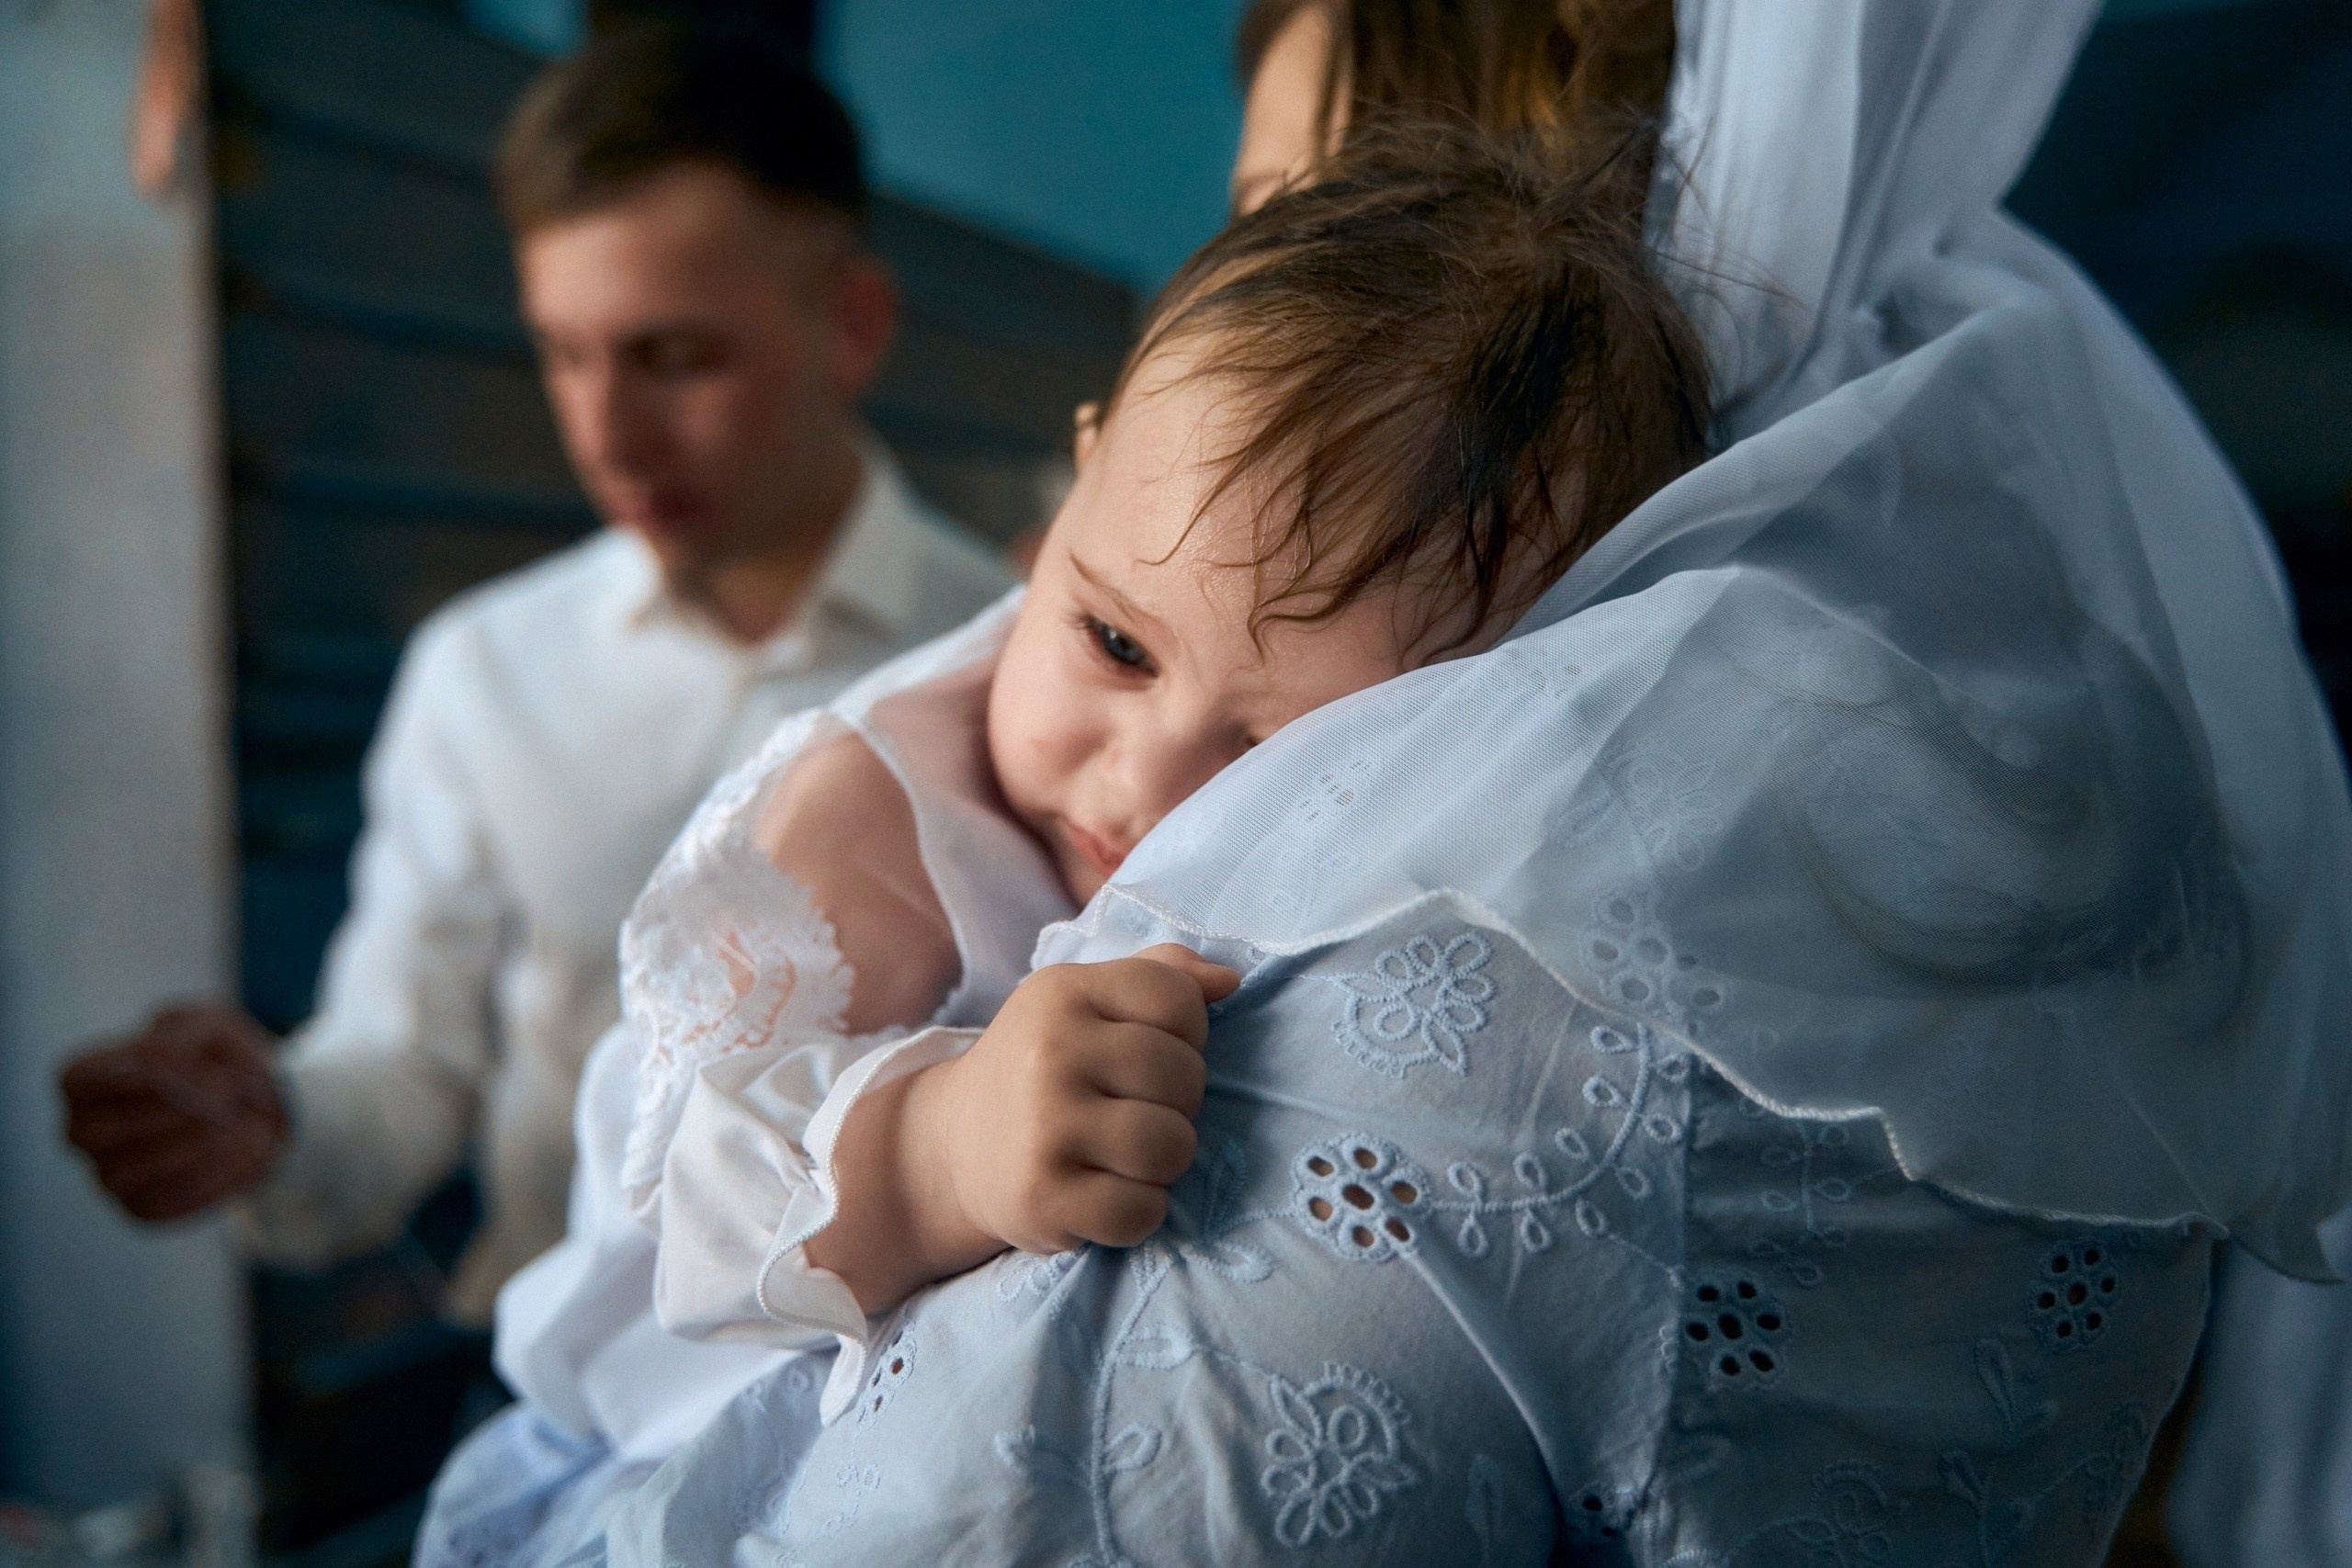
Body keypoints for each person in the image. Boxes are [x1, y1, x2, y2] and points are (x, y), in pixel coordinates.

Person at [589, 1, 2352, 1562]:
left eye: (1298, 748)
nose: (1151, 780)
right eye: (1116, 648)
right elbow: (681, 1180)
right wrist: (934, 1152)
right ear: (1085, 470)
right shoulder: (886, 804)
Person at [56, 18, 1010, 1324]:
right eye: (564, 353)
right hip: (547, 1408)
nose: (606, 436)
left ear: (852, 325)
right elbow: (403, 1073)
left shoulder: (1014, 657)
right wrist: (269, 1123)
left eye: (674, 357)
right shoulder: (481, 671)